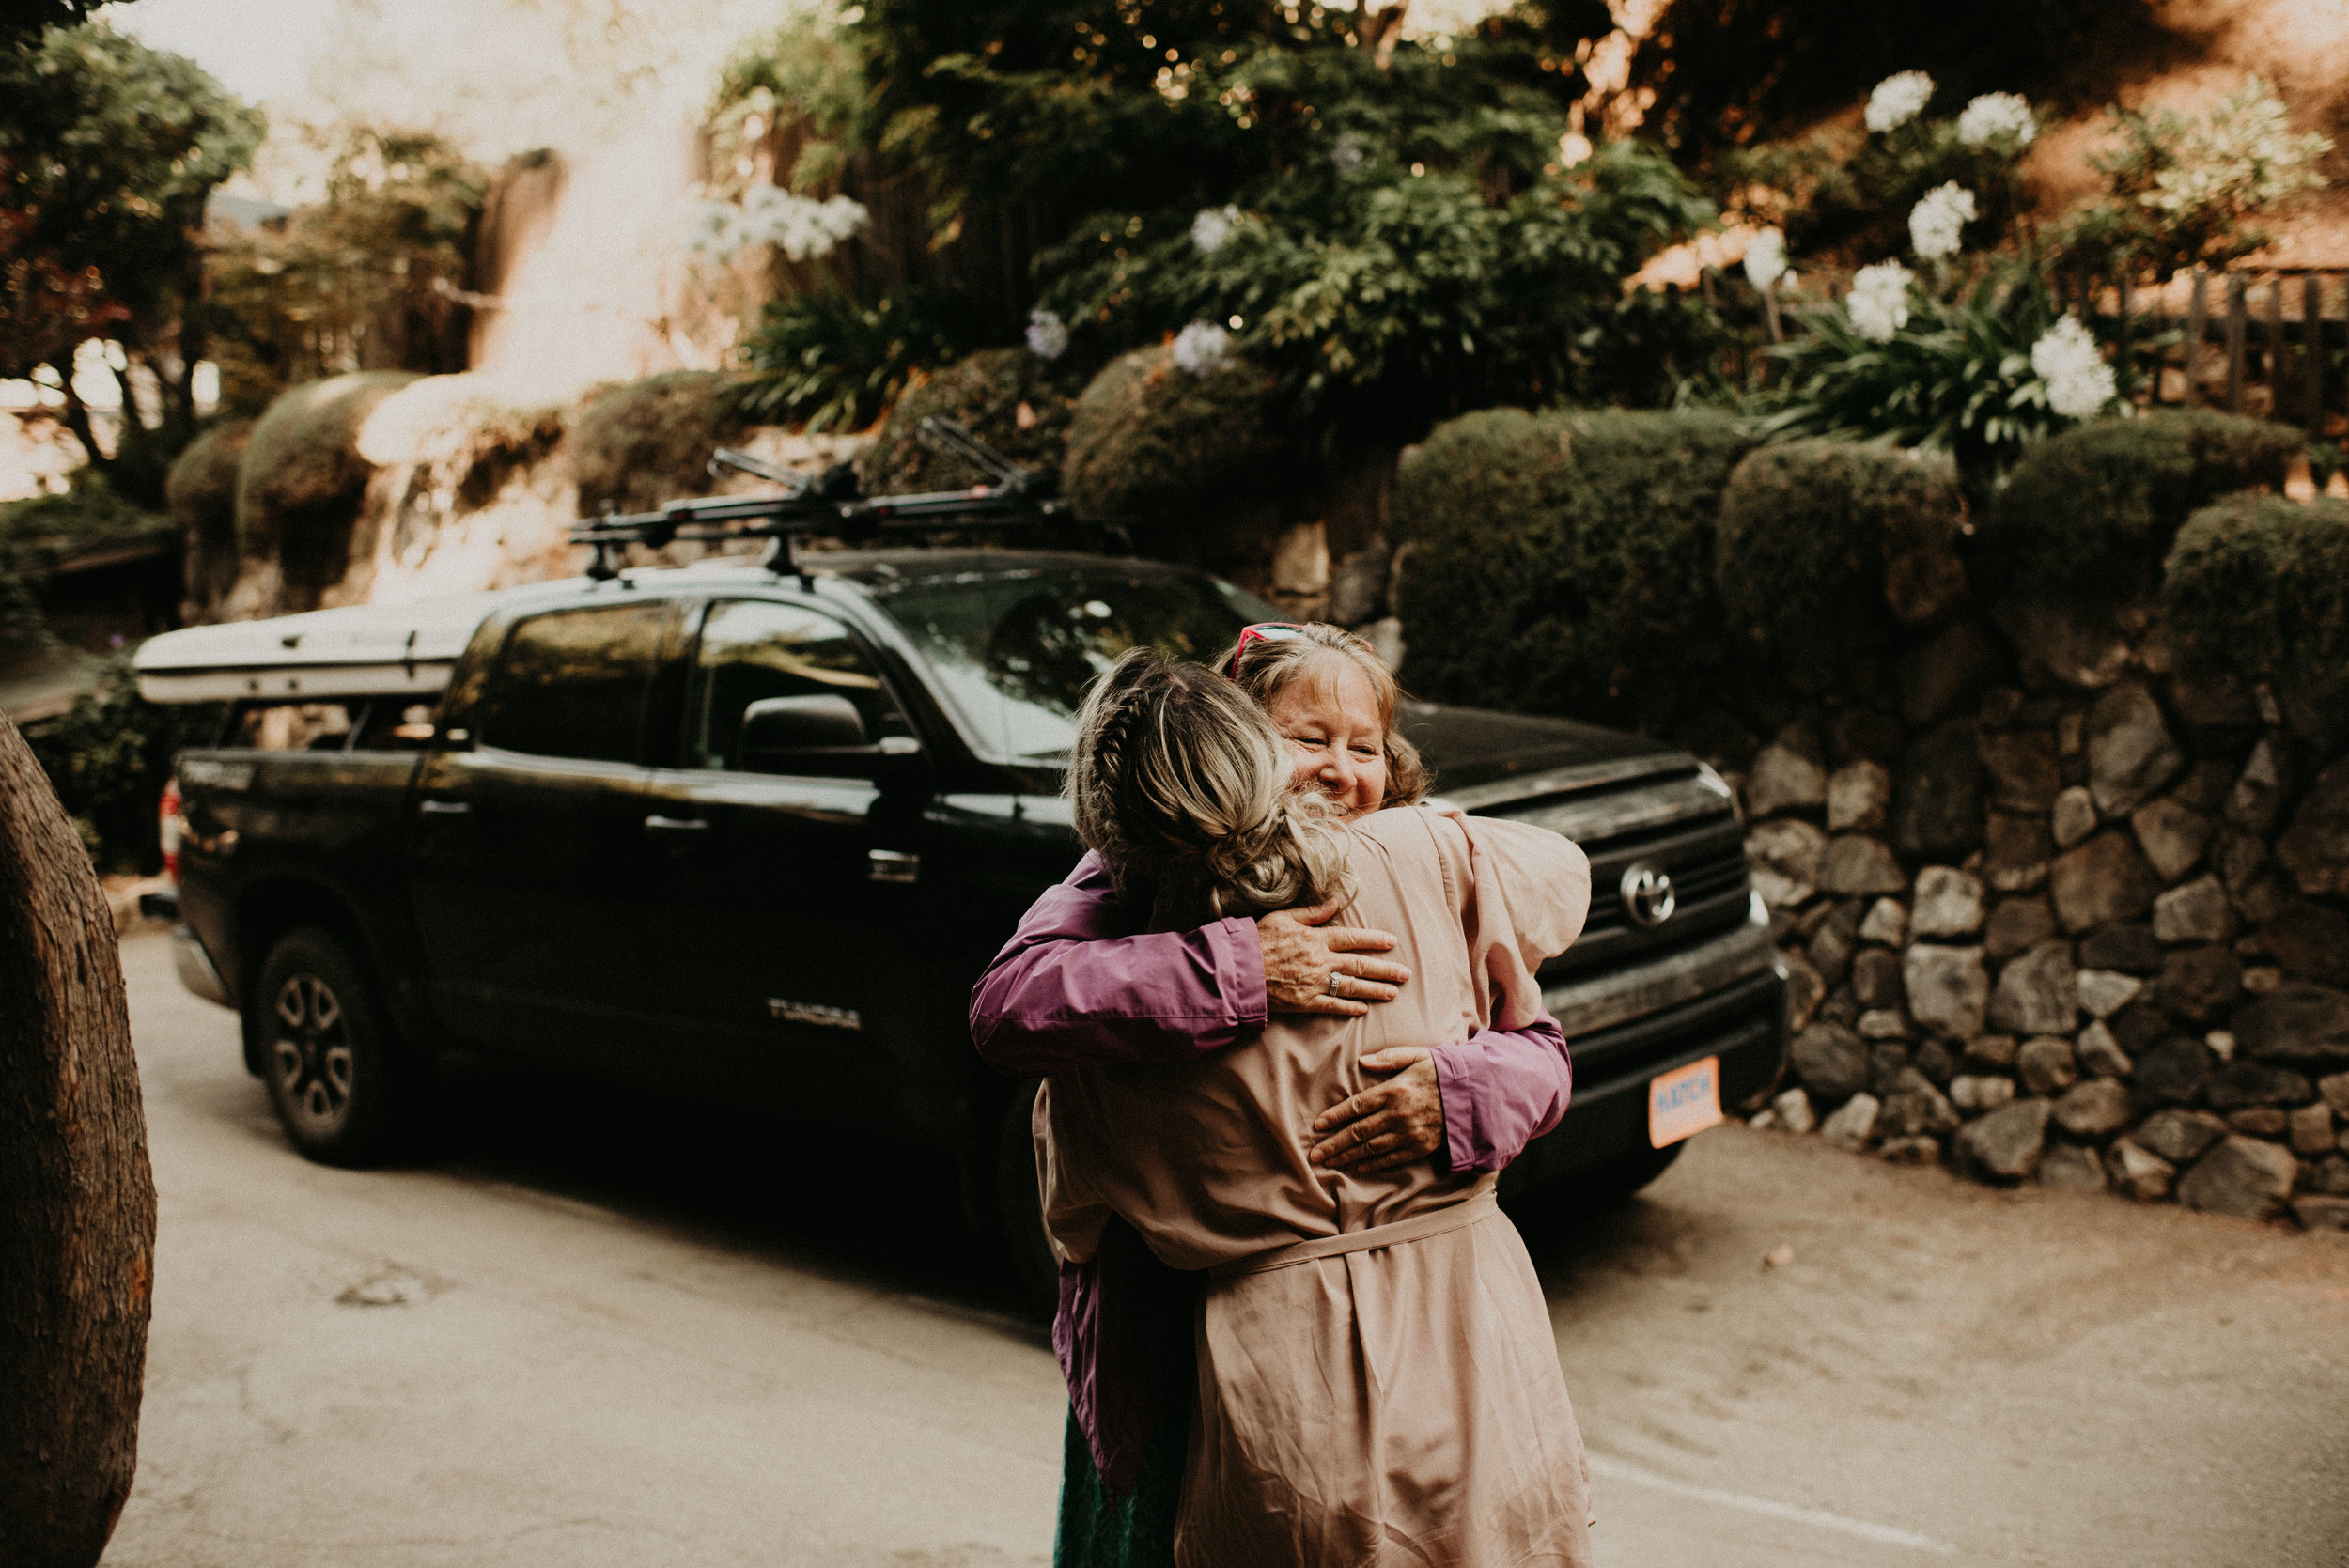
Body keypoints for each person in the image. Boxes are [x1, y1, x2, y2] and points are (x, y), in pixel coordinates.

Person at [968, 625, 1581, 1564]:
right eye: (1308, 738)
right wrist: (1242, 965)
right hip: (1170, 1355)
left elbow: (1541, 1051)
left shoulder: (1428, 862)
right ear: (1240, 747)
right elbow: (1012, 1007)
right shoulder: (1141, 868)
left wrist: (1455, 1094)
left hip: (1423, 1354)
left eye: (1363, 745)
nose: (1340, 770)